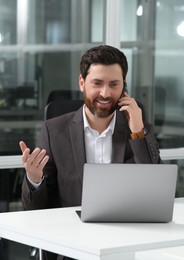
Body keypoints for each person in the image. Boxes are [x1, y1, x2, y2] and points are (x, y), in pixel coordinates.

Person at [19, 44, 162, 210]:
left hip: (126, 229)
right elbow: (33, 209)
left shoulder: (137, 128)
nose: (105, 93)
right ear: (82, 82)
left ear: (124, 86)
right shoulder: (53, 131)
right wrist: (34, 179)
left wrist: (138, 132)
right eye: (97, 83)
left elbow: (157, 190)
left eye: (114, 84)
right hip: (73, 232)